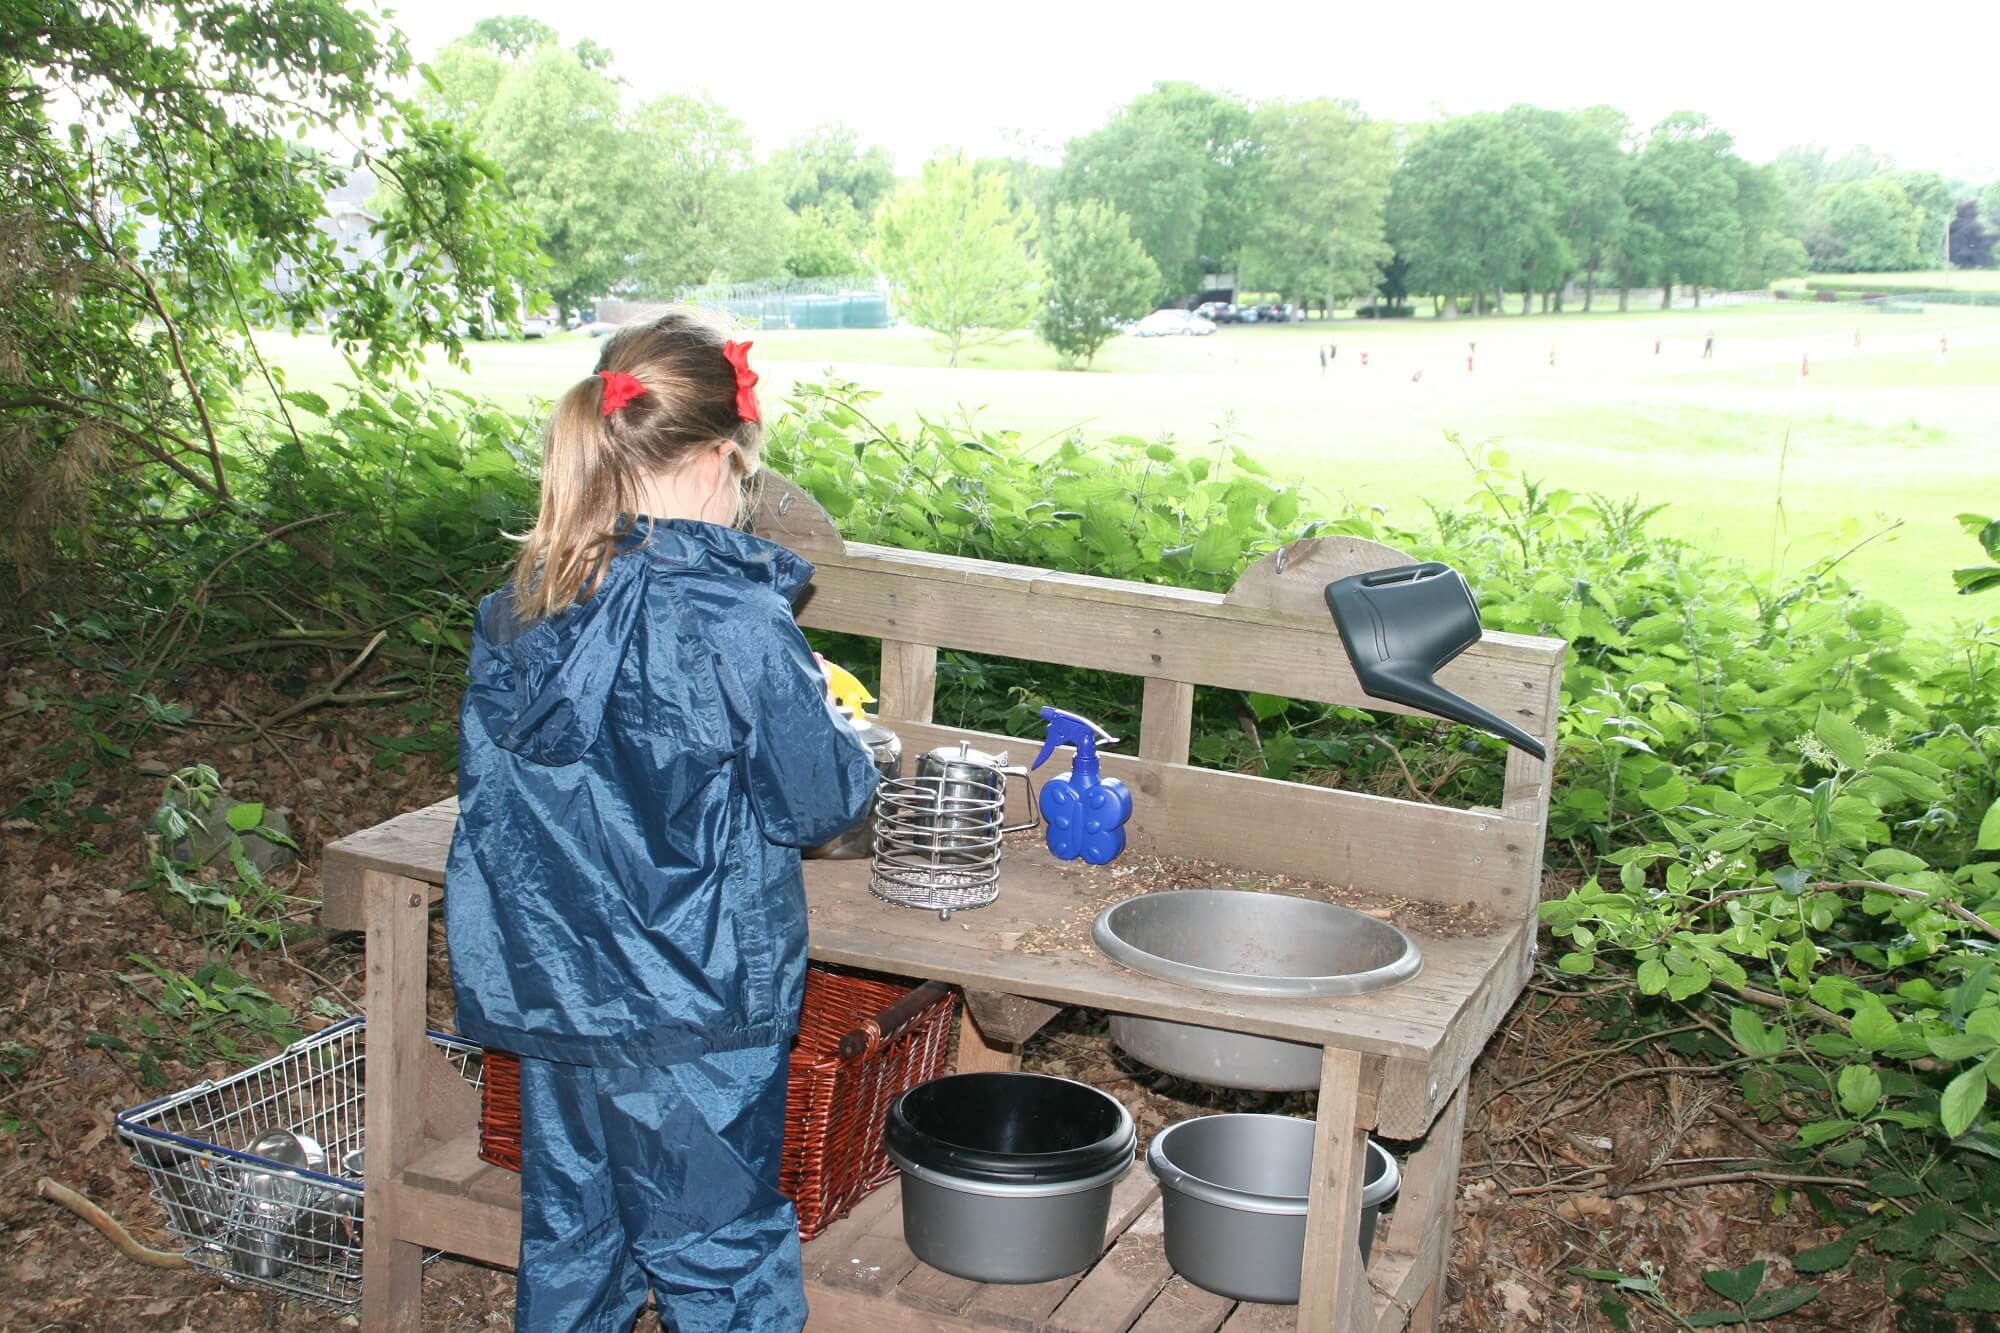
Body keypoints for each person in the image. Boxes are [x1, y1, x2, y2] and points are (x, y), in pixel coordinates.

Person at [445, 309, 879, 1333]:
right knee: (717, 1254)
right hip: (698, 1006)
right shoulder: (736, 619)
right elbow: (823, 800)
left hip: (559, 993)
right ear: (716, 460)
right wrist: (824, 712)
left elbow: (504, 804)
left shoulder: (523, 606)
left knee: (574, 1236)